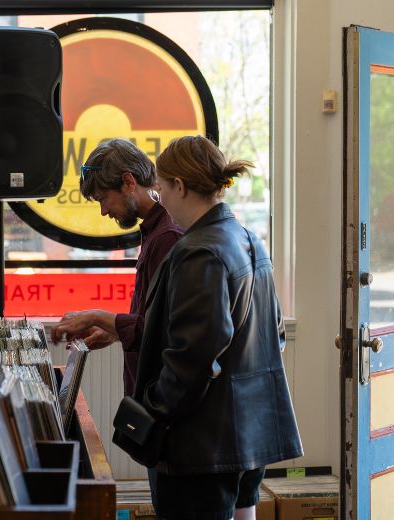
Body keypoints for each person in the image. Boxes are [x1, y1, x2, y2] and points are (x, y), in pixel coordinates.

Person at [132, 135, 302, 520]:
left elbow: (192, 357)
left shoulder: (199, 251)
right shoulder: (248, 240)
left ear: (180, 186)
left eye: (161, 187)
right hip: (248, 435)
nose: (160, 197)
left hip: (202, 447)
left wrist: (153, 413)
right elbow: (275, 334)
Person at [50, 138, 184, 397]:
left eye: (104, 198)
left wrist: (98, 316)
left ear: (128, 182)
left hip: (159, 398)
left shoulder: (167, 237)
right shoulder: (155, 232)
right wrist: (113, 332)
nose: (103, 211)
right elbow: (150, 320)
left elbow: (166, 332)